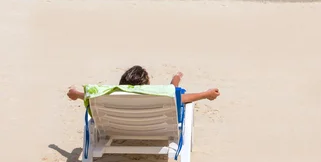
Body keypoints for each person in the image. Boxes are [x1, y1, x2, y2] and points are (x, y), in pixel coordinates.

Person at [67, 65, 220, 104]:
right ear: (147, 84)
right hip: (155, 128)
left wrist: (75, 93)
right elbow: (178, 95)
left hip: (117, 128)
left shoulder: (104, 95)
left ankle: (176, 77)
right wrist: (207, 94)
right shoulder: (157, 95)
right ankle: (176, 76)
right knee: (174, 93)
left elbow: (84, 95)